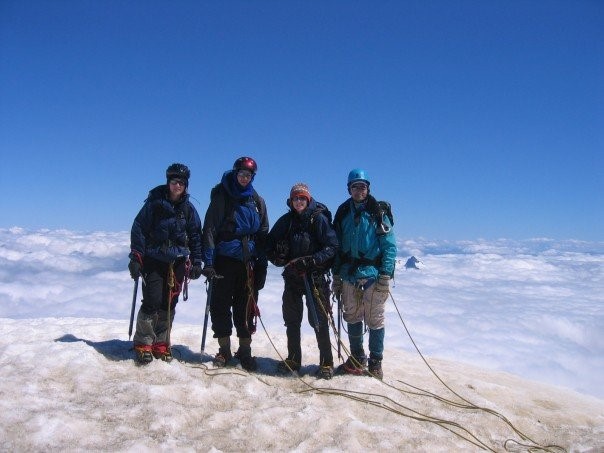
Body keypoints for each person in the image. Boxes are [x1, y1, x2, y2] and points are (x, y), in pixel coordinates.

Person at [128, 163, 203, 365]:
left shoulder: (188, 209)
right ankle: (143, 342)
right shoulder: (154, 203)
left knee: (169, 303)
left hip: (177, 262)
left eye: (181, 182)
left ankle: (161, 342)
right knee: (152, 300)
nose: (178, 186)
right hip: (153, 259)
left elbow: (196, 235)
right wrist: (136, 256)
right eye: (174, 182)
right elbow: (139, 229)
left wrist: (197, 261)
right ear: (168, 182)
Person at [201, 157, 269, 371]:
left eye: (248, 175)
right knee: (220, 305)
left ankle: (245, 351)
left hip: (247, 263)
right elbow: (210, 229)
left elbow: (263, 234)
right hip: (223, 260)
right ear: (235, 173)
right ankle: (224, 349)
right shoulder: (222, 196)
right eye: (241, 174)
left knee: (246, 307)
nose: (244, 178)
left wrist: (262, 265)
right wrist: (209, 263)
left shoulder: (256, 200)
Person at [267, 183, 339, 379]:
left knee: (319, 321)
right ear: (290, 201)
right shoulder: (287, 221)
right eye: (295, 198)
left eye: (302, 198)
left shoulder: (319, 220)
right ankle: (293, 359)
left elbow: (332, 246)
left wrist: (314, 260)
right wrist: (277, 258)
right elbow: (269, 243)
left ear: (308, 200)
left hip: (314, 278)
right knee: (292, 319)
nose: (298, 201)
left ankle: (326, 363)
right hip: (292, 277)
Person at [331, 169, 397, 379]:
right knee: (352, 316)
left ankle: (375, 362)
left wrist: (385, 274)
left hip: (373, 275)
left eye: (363, 186)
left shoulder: (378, 213)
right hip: (349, 274)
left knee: (375, 319)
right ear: (349, 189)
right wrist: (337, 275)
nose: (359, 190)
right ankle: (358, 357)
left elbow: (389, 246)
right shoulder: (343, 213)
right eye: (355, 186)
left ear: (368, 188)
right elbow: (337, 246)